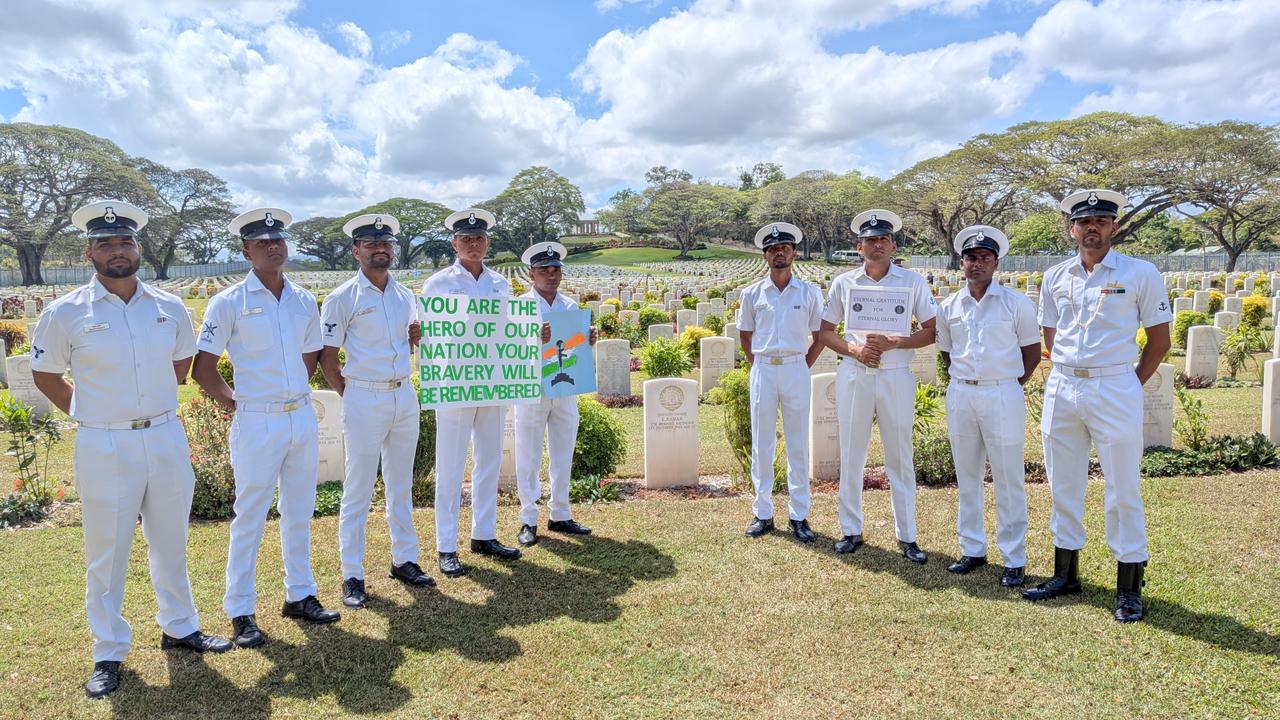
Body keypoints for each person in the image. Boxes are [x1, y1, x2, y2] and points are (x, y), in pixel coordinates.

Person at [31, 200, 232, 698]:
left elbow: (181, 366)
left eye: (125, 242)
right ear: (90, 252)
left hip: (164, 436)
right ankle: (108, 649)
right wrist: (88, 412)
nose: (117, 251)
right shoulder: (66, 312)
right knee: (108, 550)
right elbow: (45, 374)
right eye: (106, 244)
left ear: (137, 248)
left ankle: (180, 626)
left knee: (171, 540)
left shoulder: (169, 306)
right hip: (105, 442)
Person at [192, 207, 340, 649]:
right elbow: (203, 368)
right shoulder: (229, 302)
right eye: (262, 243)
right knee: (251, 515)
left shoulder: (302, 299)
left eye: (278, 241)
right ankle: (240, 609)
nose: (273, 247)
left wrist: (293, 385)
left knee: (299, 510)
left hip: (299, 415)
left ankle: (301, 594)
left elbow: (312, 352)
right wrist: (233, 399)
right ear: (247, 250)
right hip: (256, 419)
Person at [1022, 189, 1172, 623]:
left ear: (1114, 227)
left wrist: (1127, 383)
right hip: (1064, 387)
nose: (1093, 228)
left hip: (1114, 386)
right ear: (1072, 229)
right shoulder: (1055, 276)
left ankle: (1129, 588)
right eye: (1084, 222)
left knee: (1122, 487)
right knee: (1062, 483)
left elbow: (1158, 341)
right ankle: (1065, 575)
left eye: (1102, 221)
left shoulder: (1140, 272)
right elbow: (1052, 335)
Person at [319, 213, 434, 609]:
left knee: (401, 484)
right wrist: (349, 393)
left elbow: (408, 343)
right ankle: (352, 573)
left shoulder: (405, 296)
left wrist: (416, 339)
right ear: (356, 250)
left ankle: (405, 559)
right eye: (371, 244)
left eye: (385, 243)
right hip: (363, 396)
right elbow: (327, 357)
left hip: (403, 395)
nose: (380, 248)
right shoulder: (342, 298)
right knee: (359, 488)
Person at [819, 210, 937, 563]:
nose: (877, 245)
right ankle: (851, 530)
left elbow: (931, 330)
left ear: (893, 245)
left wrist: (895, 343)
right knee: (852, 453)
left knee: (900, 454)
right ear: (859, 247)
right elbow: (825, 332)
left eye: (883, 239)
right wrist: (854, 349)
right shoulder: (844, 283)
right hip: (856, 374)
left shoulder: (912, 282)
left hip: (895, 374)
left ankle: (908, 534)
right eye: (870, 240)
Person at [935, 225, 1040, 587]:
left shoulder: (1016, 303)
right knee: (967, 475)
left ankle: (1014, 557)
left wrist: (1007, 382)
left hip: (1001, 393)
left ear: (996, 262)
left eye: (985, 258)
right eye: (971, 258)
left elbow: (1030, 353)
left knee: (1008, 476)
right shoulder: (948, 306)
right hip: (962, 392)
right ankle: (973, 548)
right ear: (961, 263)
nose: (977, 264)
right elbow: (947, 353)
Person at [421, 208, 521, 577]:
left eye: (479, 239)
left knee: (489, 461)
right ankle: (446, 545)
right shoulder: (438, 285)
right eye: (466, 239)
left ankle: (484, 534)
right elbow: (429, 333)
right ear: (455, 243)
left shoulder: (500, 283)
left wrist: (531, 336)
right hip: (456, 384)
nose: (474, 244)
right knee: (450, 467)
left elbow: (510, 328)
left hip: (493, 379)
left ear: (487, 243)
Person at [736, 222, 824, 542]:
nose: (779, 254)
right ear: (765, 256)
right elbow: (745, 335)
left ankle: (799, 515)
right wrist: (759, 363)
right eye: (773, 250)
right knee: (762, 443)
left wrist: (802, 364)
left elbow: (820, 336)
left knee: (798, 442)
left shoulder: (810, 293)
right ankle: (763, 512)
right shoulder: (752, 294)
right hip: (763, 368)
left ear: (794, 253)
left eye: (784, 248)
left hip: (795, 368)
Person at [513, 241, 596, 547]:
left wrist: (588, 342)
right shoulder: (519, 307)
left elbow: (574, 351)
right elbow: (509, 352)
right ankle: (528, 519)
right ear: (531, 275)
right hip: (531, 388)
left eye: (555, 270)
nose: (550, 275)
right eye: (543, 270)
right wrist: (533, 340)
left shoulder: (570, 307)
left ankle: (560, 513)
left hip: (564, 388)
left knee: (563, 450)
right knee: (528, 454)